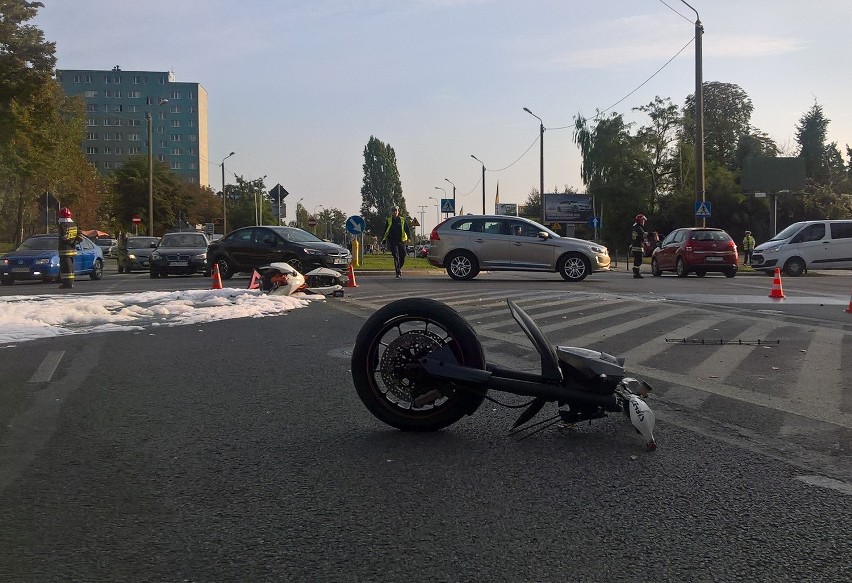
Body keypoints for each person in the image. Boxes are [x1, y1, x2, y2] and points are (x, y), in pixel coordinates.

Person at [57, 207, 82, 289]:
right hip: (72, 250)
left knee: (65, 268)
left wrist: (67, 241)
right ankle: (70, 282)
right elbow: (80, 237)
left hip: (64, 250)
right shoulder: (74, 225)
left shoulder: (63, 225)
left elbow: (64, 237)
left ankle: (67, 284)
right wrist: (74, 243)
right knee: (70, 267)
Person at [382, 205, 410, 277]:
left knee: (403, 255)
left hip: (401, 240)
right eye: (393, 211)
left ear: (398, 212)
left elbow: (407, 229)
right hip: (392, 241)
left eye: (396, 211)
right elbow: (386, 231)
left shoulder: (402, 220)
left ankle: (399, 268)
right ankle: (398, 272)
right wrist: (384, 240)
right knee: (396, 255)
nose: (394, 212)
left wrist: (409, 238)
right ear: (391, 212)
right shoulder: (389, 220)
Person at [630, 214, 647, 279]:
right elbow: (643, 235)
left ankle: (636, 273)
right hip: (637, 247)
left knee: (637, 260)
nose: (644, 222)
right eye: (643, 221)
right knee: (638, 260)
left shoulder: (635, 227)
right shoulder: (638, 228)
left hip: (636, 246)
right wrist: (652, 234)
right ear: (640, 221)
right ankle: (636, 273)